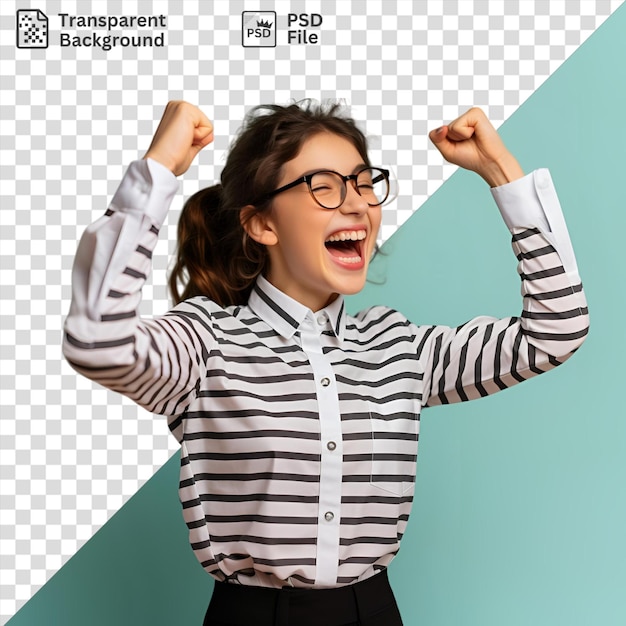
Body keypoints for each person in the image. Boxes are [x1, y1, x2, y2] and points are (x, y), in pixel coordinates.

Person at [62, 100, 589, 625]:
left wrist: (501, 173)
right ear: (262, 224)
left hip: (373, 612)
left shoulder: (396, 348)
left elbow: (555, 333)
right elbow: (97, 341)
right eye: (324, 185)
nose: (357, 204)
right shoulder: (206, 342)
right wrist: (157, 171)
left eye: (363, 182)